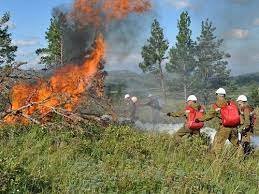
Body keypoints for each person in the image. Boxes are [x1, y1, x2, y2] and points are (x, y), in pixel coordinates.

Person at [197, 88, 241, 156]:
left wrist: (199, 119)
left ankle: (218, 161)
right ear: (224, 95)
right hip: (234, 127)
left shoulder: (216, 104)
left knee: (217, 144)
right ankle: (241, 158)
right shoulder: (232, 103)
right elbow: (238, 113)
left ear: (217, 95)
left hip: (224, 128)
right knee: (237, 144)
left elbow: (209, 116)